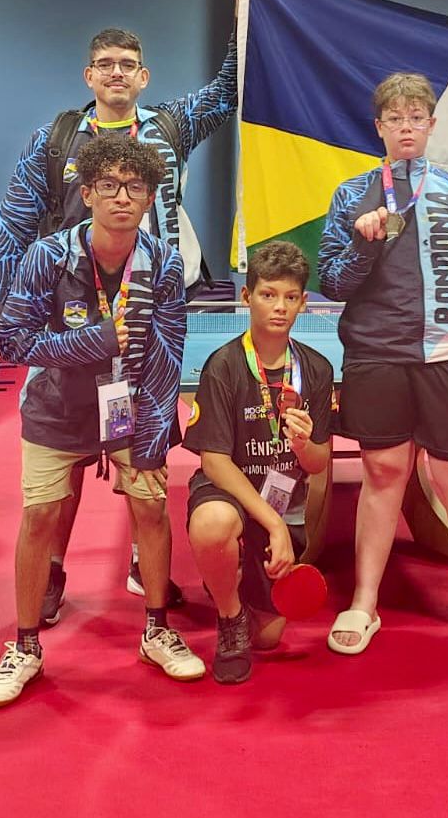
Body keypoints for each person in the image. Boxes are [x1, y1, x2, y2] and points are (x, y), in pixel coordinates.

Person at [0, 0, 249, 623]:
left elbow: (230, 89)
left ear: (144, 76)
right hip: (68, 318)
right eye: (106, 64)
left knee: (145, 436)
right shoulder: (55, 139)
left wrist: (247, 3)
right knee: (65, 451)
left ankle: (141, 564)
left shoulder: (171, 125)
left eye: (128, 64)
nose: (117, 73)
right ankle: (50, 572)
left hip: (152, 314)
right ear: (89, 76)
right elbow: (14, 224)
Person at [0, 134, 202, 708]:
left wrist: (153, 436)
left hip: (130, 408)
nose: (122, 196)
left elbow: (167, 353)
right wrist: (93, 341)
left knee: (151, 508)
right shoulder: (47, 256)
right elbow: (15, 341)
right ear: (88, 193)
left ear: (149, 197)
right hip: (56, 406)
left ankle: (156, 631)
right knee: (40, 517)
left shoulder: (165, 261)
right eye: (109, 185)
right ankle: (25, 646)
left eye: (134, 186)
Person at [317, 71, 448, 657]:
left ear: (431, 125)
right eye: (395, 119)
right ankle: (364, 602)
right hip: (377, 353)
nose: (406, 128)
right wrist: (363, 245)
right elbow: (332, 282)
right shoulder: (351, 194)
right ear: (379, 127)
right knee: (383, 472)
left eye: (416, 118)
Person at [183, 241, 334, 684]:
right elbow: (214, 461)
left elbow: (319, 463)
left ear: (303, 303)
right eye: (268, 294)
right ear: (247, 297)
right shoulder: (223, 366)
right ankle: (230, 615)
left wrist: (303, 444)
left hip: (282, 500)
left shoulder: (317, 370)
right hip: (229, 493)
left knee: (268, 638)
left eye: (290, 297)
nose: (280, 307)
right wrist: (273, 525)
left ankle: (232, 574)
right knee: (213, 525)